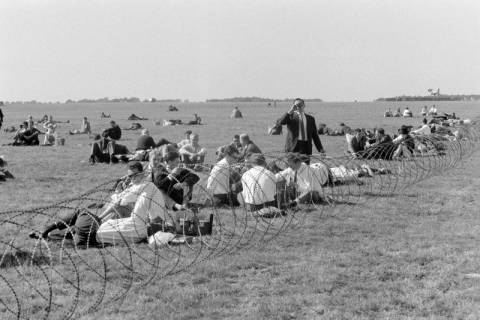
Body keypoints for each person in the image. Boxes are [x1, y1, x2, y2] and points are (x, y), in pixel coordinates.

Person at [96, 162, 172, 245]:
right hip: (145, 222)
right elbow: (120, 200)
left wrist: (100, 217)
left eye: (135, 175)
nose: (132, 178)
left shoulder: (146, 185)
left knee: (119, 208)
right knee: (119, 210)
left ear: (142, 174)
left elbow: (119, 200)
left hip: (156, 225)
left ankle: (98, 222)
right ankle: (99, 223)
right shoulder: (139, 185)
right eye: (130, 176)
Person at [276, 98, 325, 163]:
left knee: (305, 169)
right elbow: (280, 122)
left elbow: (315, 136)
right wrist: (290, 111)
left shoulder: (311, 119)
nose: (298, 106)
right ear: (293, 106)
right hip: (293, 147)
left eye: (300, 104)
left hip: (306, 147)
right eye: (296, 105)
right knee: (292, 169)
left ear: (304, 105)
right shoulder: (290, 116)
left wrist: (321, 150)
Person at [28, 208, 102, 246]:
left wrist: (50, 228)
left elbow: (64, 221)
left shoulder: (83, 214)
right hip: (90, 238)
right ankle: (46, 234)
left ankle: (47, 230)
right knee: (71, 232)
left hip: (88, 231)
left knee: (81, 212)